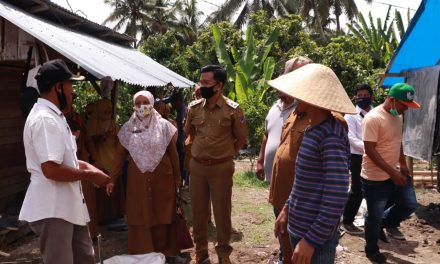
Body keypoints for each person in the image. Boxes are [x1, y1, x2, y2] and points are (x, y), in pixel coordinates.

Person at [19, 59, 110, 264]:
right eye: (70, 86)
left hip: (66, 207)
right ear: (58, 87)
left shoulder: (55, 117)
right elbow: (51, 169)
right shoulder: (45, 119)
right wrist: (89, 174)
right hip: (53, 209)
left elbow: (66, 160)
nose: (72, 92)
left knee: (85, 258)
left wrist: (89, 168)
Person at [273, 63, 354, 264]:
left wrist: (311, 240)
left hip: (316, 239)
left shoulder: (331, 135)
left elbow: (336, 195)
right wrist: (286, 209)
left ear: (313, 98)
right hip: (300, 227)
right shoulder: (313, 129)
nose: (295, 97)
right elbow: (301, 181)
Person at [106, 91, 182, 258]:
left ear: (152, 103)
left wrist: (178, 178)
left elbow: (174, 155)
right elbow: (119, 155)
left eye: (145, 102)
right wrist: (112, 178)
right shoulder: (128, 128)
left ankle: (166, 252)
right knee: (140, 211)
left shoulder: (164, 126)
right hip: (137, 178)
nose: (141, 106)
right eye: (138, 102)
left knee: (162, 210)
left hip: (162, 176)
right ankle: (143, 252)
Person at [184, 65, 248, 264]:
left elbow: (241, 139)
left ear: (218, 86)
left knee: (222, 213)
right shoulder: (193, 108)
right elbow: (189, 134)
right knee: (198, 212)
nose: (201, 86)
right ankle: (201, 252)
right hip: (197, 168)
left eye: (206, 83)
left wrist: (225, 154)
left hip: (221, 168)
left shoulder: (233, 110)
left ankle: (223, 254)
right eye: (201, 82)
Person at [361, 83, 420, 263]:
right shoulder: (373, 118)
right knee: (375, 215)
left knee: (409, 204)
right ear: (392, 100)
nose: (406, 110)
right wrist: (392, 172)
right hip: (375, 178)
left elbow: (397, 141)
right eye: (404, 106)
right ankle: (371, 249)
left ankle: (378, 222)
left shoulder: (397, 116)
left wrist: (402, 164)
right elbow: (370, 150)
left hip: (393, 172)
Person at [267, 56, 313, 264]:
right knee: (286, 244)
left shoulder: (323, 118)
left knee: (300, 250)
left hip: (302, 200)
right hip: (283, 195)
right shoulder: (294, 113)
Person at [85, 98, 124, 224]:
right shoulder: (92, 123)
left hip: (112, 157)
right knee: (102, 187)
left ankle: (116, 214)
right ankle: (103, 217)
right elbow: (88, 141)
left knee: (115, 186)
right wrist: (102, 136)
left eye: (109, 108)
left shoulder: (112, 123)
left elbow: (120, 139)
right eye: (105, 108)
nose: (108, 110)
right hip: (100, 159)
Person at [342, 84, 373, 235]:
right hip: (357, 157)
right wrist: (371, 148)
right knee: (357, 190)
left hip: (375, 156)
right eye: (359, 95)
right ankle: (347, 221)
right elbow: (351, 138)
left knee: (375, 189)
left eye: (365, 95)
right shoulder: (351, 115)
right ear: (355, 97)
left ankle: (375, 221)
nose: (362, 98)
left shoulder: (375, 113)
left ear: (371, 96)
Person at [255, 90, 296, 182]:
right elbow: (267, 134)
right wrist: (260, 161)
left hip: (290, 172)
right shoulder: (274, 107)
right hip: (272, 172)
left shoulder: (299, 109)